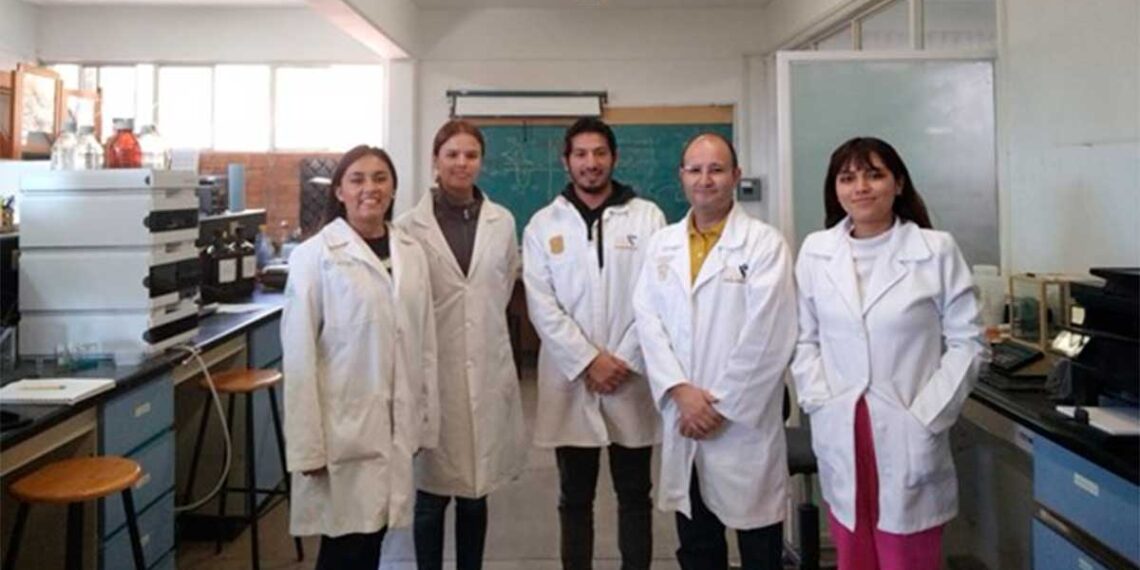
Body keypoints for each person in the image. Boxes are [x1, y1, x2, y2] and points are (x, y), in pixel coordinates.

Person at [790, 137, 983, 570]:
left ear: (898, 184)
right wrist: (819, 401)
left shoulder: (935, 250)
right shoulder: (816, 251)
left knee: (906, 556)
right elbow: (805, 340)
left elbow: (968, 343)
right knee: (853, 553)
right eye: (848, 178)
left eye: (874, 175)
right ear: (835, 189)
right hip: (842, 425)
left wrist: (926, 417)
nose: (861, 187)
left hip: (908, 421)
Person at [633, 133, 797, 570]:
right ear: (681, 176)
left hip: (741, 422)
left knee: (759, 549)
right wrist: (679, 391)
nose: (705, 180)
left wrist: (718, 406)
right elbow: (648, 322)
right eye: (695, 170)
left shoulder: (764, 245)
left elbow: (769, 335)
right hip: (684, 416)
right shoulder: (662, 245)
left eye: (717, 169)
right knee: (697, 547)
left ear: (736, 176)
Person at [282, 145, 438, 570]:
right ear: (339, 191)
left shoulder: (410, 252)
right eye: (357, 179)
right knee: (345, 547)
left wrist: (424, 419)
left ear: (393, 188)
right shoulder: (315, 256)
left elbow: (424, 342)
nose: (370, 188)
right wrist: (307, 447)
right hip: (342, 430)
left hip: (395, 424)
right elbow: (298, 358)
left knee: (374, 540)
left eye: (380, 178)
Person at [523, 117, 665, 570]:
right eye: (581, 154)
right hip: (572, 379)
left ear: (614, 158)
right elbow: (542, 305)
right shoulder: (543, 224)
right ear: (566, 161)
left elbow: (656, 295)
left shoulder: (647, 217)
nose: (591, 163)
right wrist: (588, 361)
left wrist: (622, 359)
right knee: (574, 497)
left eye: (599, 153)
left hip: (630, 375)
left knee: (635, 494)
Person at [396, 119, 528, 570]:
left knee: (475, 492)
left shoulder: (501, 221)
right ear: (435, 160)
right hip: (432, 373)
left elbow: (501, 286)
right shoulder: (408, 228)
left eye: (471, 155)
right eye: (452, 154)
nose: (461, 163)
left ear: (481, 162)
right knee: (430, 497)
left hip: (486, 368)